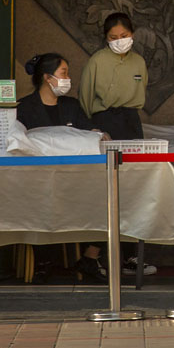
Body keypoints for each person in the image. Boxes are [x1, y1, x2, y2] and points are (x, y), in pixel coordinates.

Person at [17, 53, 108, 282]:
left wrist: (98, 134)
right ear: (47, 77)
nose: (68, 78)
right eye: (63, 73)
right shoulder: (24, 107)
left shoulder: (71, 106)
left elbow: (88, 131)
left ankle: (89, 258)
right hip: (38, 181)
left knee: (104, 198)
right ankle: (43, 261)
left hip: (76, 178)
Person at [79, 12, 155, 277]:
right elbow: (85, 99)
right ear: (106, 38)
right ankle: (93, 255)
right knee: (107, 191)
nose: (119, 41)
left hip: (131, 123)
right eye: (113, 37)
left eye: (124, 36)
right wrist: (95, 130)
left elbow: (141, 91)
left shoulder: (139, 62)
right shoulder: (97, 61)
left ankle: (131, 255)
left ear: (132, 34)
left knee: (133, 189)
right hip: (105, 124)